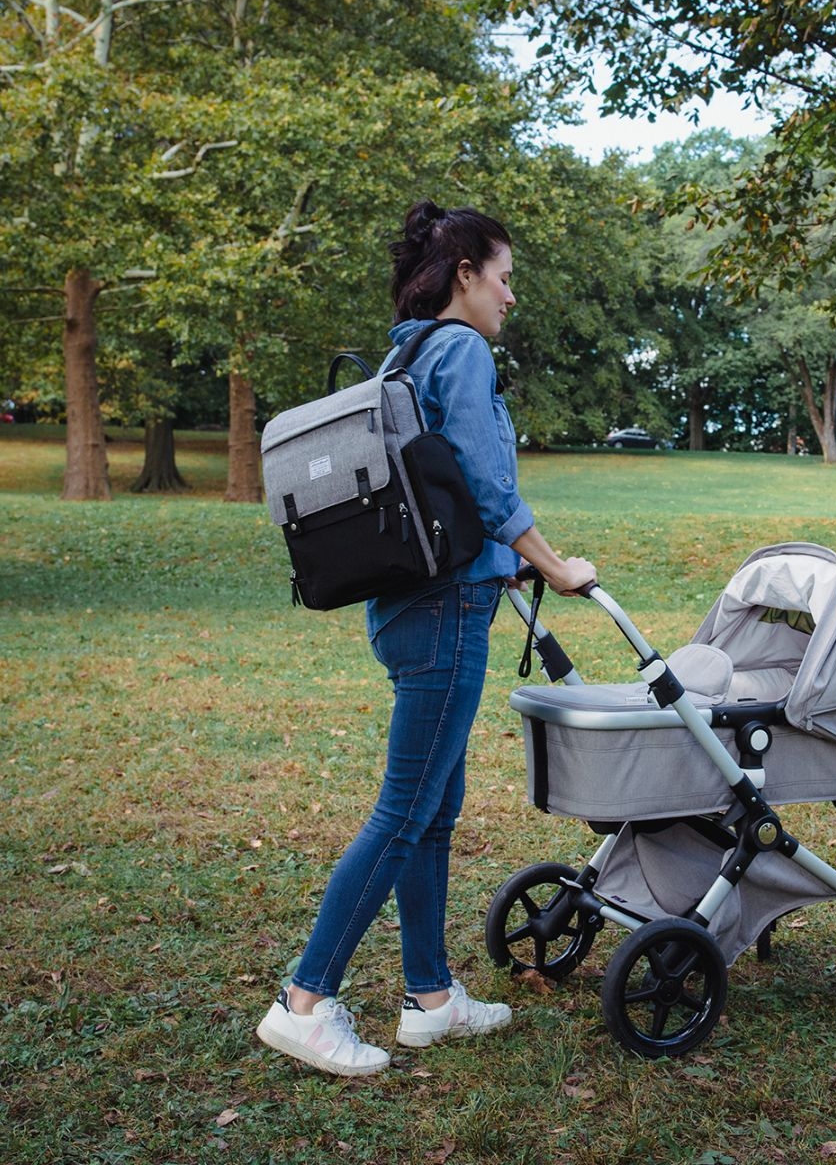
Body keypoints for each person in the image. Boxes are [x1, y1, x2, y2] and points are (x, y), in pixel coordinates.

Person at [257, 201, 597, 1076]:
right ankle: (305, 999)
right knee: (406, 812)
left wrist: (504, 563)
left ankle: (431, 998)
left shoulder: (405, 349)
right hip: (445, 614)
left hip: (409, 604)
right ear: (465, 276)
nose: (510, 297)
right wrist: (553, 565)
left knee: (433, 814)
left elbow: (435, 485)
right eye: (505, 277)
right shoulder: (462, 348)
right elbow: (483, 479)